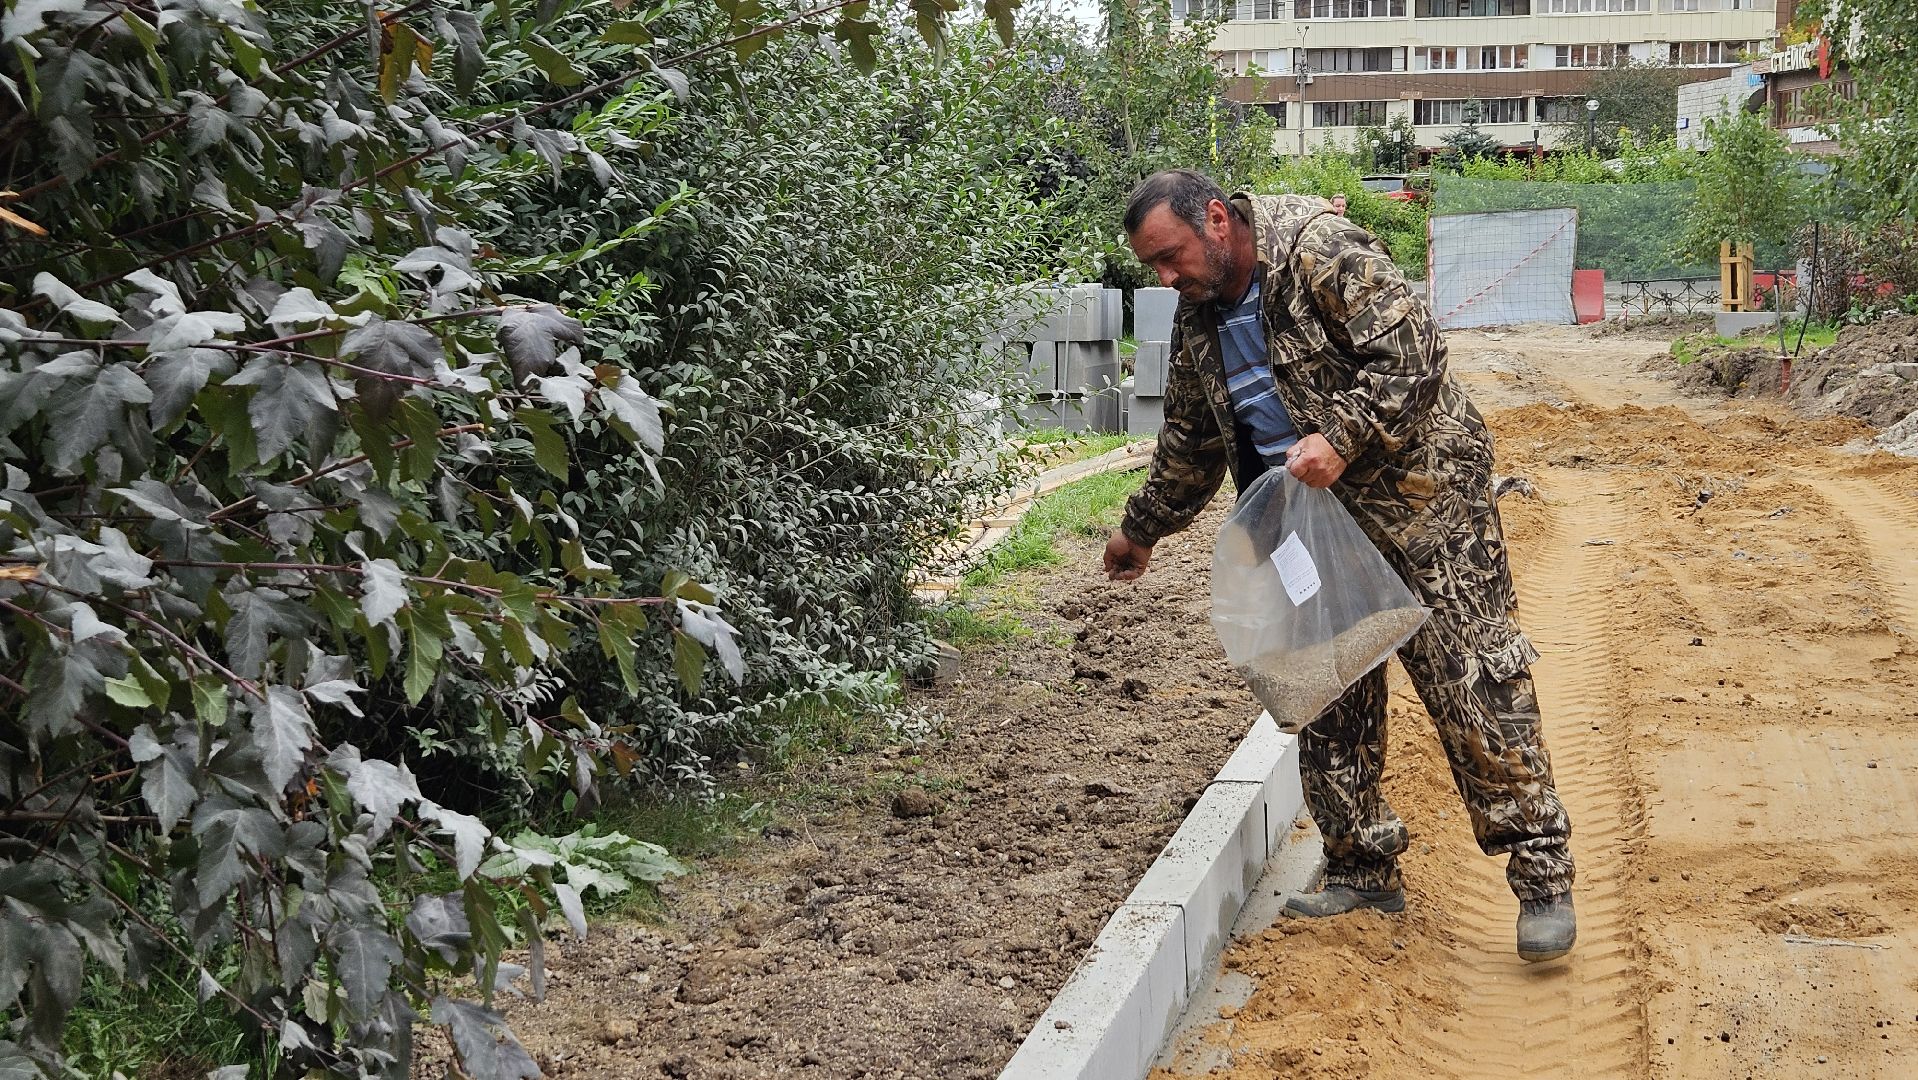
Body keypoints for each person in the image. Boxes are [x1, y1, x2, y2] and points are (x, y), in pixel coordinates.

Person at [1104, 169, 1576, 962]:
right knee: (1327, 690)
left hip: (1422, 503)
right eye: (1152, 264)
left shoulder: (1319, 250)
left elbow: (1414, 356)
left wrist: (1342, 436)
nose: (1165, 277)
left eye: (1170, 255)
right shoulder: (1198, 315)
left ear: (1216, 219)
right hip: (1310, 526)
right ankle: (1362, 869)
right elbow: (1191, 438)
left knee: (1471, 679)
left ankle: (1541, 878)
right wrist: (1141, 530)